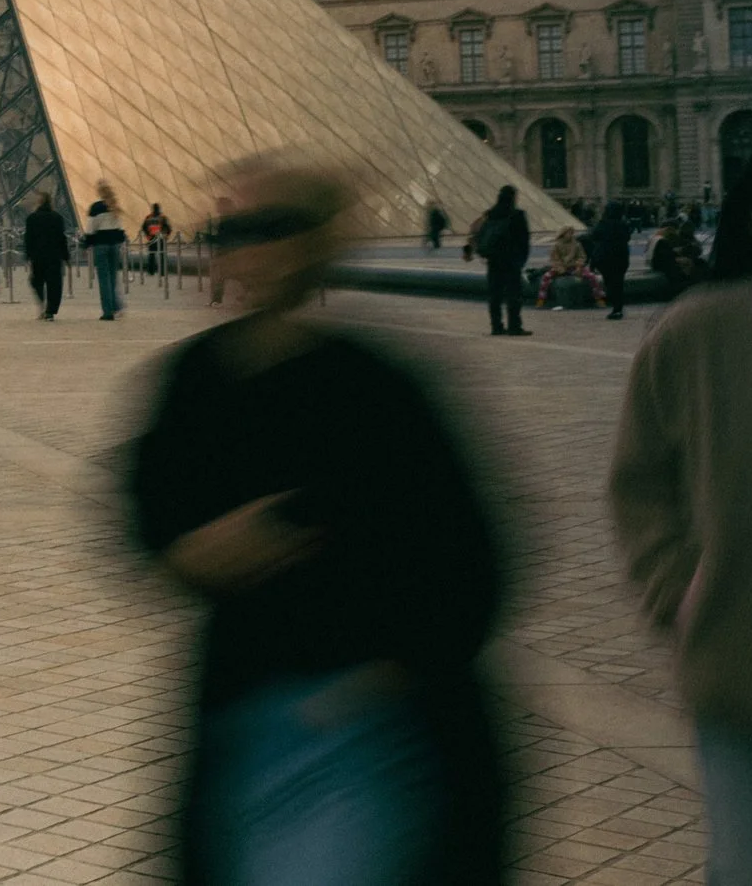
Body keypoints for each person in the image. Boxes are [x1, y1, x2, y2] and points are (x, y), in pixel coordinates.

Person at [128, 158, 506, 886]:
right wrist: (194, 554)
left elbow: (473, 570)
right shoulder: (193, 378)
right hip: (244, 720)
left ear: (317, 242)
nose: (244, 248)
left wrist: (370, 686)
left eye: (270, 228)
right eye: (229, 230)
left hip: (366, 736)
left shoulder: (381, 387)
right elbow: (143, 518)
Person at [611, 123, 752, 886]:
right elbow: (640, 481)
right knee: (749, 872)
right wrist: (680, 590)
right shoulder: (694, 331)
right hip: (740, 662)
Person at [475, 186, 531, 336]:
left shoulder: (490, 214)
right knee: (513, 294)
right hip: (511, 261)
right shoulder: (517, 215)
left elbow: (480, 236)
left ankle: (496, 326)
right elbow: (524, 240)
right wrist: (522, 260)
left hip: (493, 260)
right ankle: (514, 326)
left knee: (495, 295)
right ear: (513, 197)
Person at [84, 184, 129, 322]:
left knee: (104, 280)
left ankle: (108, 312)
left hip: (101, 245)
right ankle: (117, 306)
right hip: (114, 245)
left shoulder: (96, 208)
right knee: (113, 278)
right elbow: (120, 229)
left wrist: (87, 244)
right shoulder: (115, 208)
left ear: (99, 192)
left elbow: (91, 228)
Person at [24, 193, 70, 321]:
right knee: (54, 283)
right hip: (54, 255)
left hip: (38, 255)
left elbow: (28, 239)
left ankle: (41, 303)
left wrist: (28, 255)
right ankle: (50, 310)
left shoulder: (32, 218)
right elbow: (62, 238)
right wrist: (66, 256)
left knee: (36, 281)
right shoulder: (57, 218)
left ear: (39, 203)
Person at [535, 226, 602, 309]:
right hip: (561, 267)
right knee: (546, 277)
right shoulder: (557, 245)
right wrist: (560, 269)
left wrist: (579, 266)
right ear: (563, 234)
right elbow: (555, 259)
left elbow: (582, 256)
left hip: (575, 267)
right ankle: (541, 299)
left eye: (572, 233)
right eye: (569, 233)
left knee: (592, 277)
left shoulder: (577, 245)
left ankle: (598, 298)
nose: (571, 235)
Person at [140, 203, 173, 276]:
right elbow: (169, 228)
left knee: (151, 256)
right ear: (159, 209)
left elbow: (143, 227)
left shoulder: (148, 217)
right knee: (162, 256)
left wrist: (147, 235)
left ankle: (151, 271)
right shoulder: (163, 217)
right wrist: (166, 236)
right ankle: (162, 272)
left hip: (151, 238)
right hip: (161, 238)